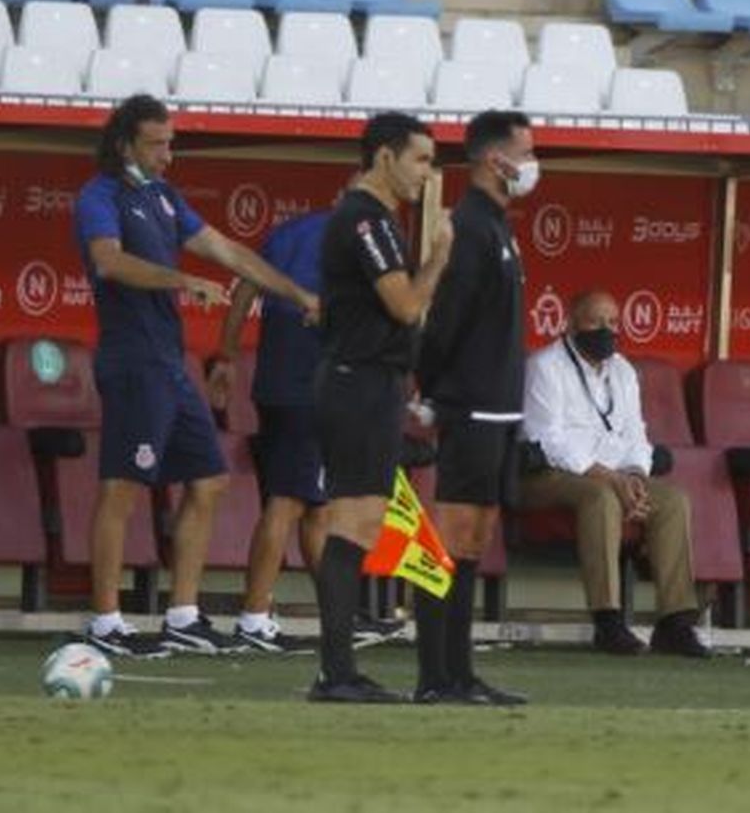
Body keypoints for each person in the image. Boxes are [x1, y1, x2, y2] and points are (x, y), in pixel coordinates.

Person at [73, 94, 318, 658]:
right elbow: (109, 261)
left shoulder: (163, 197)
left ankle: (182, 615)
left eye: (171, 143)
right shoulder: (100, 196)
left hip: (170, 364)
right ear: (124, 144)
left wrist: (295, 291)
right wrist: (183, 282)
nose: (167, 156)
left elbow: (227, 250)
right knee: (121, 488)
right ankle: (106, 622)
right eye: (157, 144)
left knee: (208, 480)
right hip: (133, 361)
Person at [211, 192, 405, 654]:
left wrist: (227, 354)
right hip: (314, 384)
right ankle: (254, 619)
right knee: (288, 502)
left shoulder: (289, 231)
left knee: (316, 506)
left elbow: (245, 287)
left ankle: (339, 617)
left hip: (277, 383)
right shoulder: (359, 239)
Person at [308, 112, 450, 703]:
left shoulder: (381, 220)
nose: (427, 172)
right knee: (353, 523)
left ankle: (339, 671)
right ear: (385, 157)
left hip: (372, 384)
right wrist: (440, 254)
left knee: (361, 524)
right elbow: (405, 305)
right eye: (420, 158)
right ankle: (336, 673)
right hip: (356, 384)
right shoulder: (364, 217)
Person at [414, 110, 538, 706]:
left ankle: (461, 675)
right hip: (470, 408)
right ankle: (436, 678)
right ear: (496, 159)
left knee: (473, 545)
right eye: (528, 152)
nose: (535, 165)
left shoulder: (498, 226)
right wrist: (433, 390)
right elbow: (445, 321)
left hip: (500, 408)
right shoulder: (469, 226)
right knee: (450, 541)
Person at [521, 290, 708, 658]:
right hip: (547, 475)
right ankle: (608, 620)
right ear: (571, 324)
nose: (606, 330)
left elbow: (636, 433)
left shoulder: (622, 371)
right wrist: (612, 480)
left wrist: (636, 476)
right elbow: (548, 441)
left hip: (616, 475)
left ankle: (674, 623)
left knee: (672, 501)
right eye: (596, 322)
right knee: (600, 497)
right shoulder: (545, 365)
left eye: (613, 323)